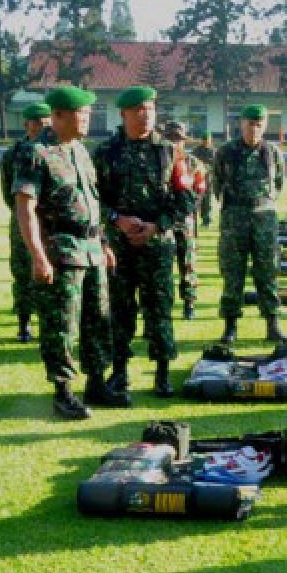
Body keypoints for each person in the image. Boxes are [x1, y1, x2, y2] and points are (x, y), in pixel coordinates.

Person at [14, 86, 128, 418]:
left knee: (97, 319)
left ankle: (96, 382)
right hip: (61, 250)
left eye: (89, 114)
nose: (88, 119)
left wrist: (104, 244)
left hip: (92, 248)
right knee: (62, 324)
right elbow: (25, 206)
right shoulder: (36, 152)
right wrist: (38, 255)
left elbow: (93, 203)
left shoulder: (80, 150)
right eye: (82, 113)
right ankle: (63, 391)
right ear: (59, 115)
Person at [93, 86, 197, 399]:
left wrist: (157, 226)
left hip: (157, 246)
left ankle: (163, 372)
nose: (146, 115)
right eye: (138, 110)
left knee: (159, 309)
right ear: (123, 114)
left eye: (150, 109)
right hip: (119, 245)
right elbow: (91, 198)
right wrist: (116, 220)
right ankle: (120, 372)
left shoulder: (170, 152)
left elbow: (186, 197)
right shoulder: (105, 152)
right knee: (120, 310)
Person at [212, 104, 287, 344]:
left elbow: (279, 183)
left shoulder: (272, 152)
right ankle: (230, 326)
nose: (254, 128)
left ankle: (272, 324)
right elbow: (216, 184)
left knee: (267, 271)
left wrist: (264, 203)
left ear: (264, 125)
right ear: (240, 124)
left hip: (264, 217)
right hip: (234, 217)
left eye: (259, 124)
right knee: (233, 272)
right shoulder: (226, 152)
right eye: (249, 123)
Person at [0, 103, 52, 341]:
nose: (43, 127)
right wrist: (25, 214)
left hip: (51, 223)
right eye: (38, 122)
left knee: (52, 271)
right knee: (22, 273)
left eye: (47, 122)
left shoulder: (54, 150)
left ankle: (48, 322)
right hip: (23, 222)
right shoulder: (14, 154)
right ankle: (24, 323)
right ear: (27, 125)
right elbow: (8, 191)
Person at [162, 121, 209, 321]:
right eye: (171, 139)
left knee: (187, 264)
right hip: (162, 221)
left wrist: (188, 209)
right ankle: (162, 307)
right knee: (162, 266)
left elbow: (200, 191)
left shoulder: (193, 163)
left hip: (185, 220)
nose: (174, 143)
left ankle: (189, 303)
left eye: (178, 139)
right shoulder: (157, 161)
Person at [191, 133, 216, 228]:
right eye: (205, 139)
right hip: (197, 180)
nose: (206, 141)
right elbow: (192, 163)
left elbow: (216, 166)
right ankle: (194, 221)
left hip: (208, 179)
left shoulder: (213, 151)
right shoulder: (196, 151)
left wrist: (206, 168)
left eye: (208, 139)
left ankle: (207, 220)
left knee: (208, 201)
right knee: (196, 200)